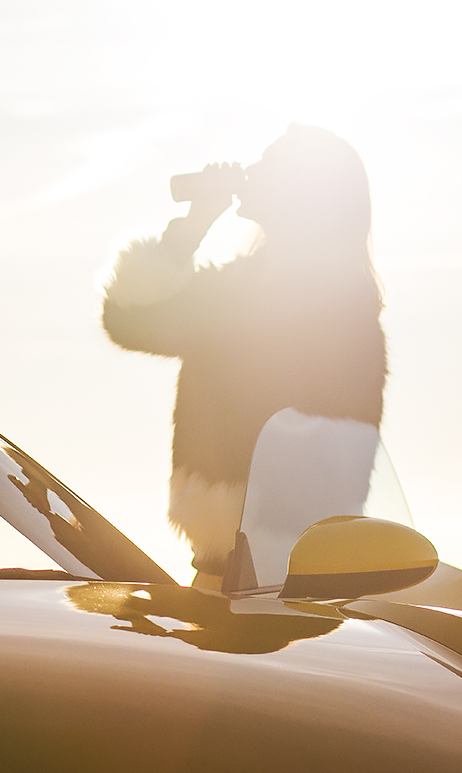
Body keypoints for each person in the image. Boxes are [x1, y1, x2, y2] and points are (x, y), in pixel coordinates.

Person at [100, 125, 386, 590]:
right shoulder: (240, 292)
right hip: (218, 569)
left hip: (284, 584)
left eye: (266, 165)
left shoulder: (340, 310)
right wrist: (194, 224)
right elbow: (128, 321)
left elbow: (327, 460)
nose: (249, 173)